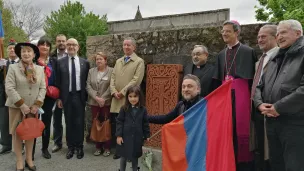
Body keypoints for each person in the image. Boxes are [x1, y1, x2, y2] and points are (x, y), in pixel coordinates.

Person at [254, 19, 304, 171]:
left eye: (283, 32)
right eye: (277, 34)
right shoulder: (275, 57)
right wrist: (259, 103)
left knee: (294, 165)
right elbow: (259, 85)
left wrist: (279, 107)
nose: (279, 37)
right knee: (276, 164)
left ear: (298, 33)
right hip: (272, 122)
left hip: (295, 124)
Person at [213, 20, 257, 170]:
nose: (224, 34)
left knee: (241, 128)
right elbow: (217, 80)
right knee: (226, 129)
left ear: (237, 32)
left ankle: (242, 163)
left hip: (242, 95)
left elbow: (252, 79)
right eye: (223, 31)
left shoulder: (248, 51)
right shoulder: (220, 54)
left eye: (227, 31)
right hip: (225, 95)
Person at [5, 42, 46, 171]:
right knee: (18, 134)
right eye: (24, 51)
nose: (26, 53)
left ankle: (29, 159)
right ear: (20, 54)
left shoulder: (40, 69)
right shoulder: (13, 68)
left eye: (29, 51)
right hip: (17, 107)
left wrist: (37, 104)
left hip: (33, 108)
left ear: (34, 54)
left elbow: (43, 88)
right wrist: (21, 105)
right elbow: (9, 88)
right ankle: (19, 162)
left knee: (30, 133)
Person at [110, 37, 145, 159]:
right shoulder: (118, 61)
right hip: (116, 97)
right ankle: (118, 150)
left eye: (128, 45)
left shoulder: (139, 61)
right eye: (124, 45)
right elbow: (113, 77)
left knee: (128, 125)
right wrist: (114, 91)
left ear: (134, 47)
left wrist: (123, 92)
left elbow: (136, 80)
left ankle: (128, 151)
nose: (126, 47)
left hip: (129, 98)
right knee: (117, 124)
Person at [250, 24, 279, 171]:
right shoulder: (258, 62)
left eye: (263, 36)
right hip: (258, 109)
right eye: (258, 37)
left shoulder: (281, 56)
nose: (260, 40)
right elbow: (256, 85)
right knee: (260, 149)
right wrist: (257, 103)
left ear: (276, 37)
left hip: (273, 110)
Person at [56, 38, 90, 159]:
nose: (71, 46)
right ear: (66, 46)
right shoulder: (60, 62)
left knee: (80, 122)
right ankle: (70, 147)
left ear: (78, 47)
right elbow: (58, 82)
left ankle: (79, 146)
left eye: (74, 44)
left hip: (80, 96)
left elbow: (87, 81)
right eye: (69, 44)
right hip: (67, 96)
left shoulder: (84, 62)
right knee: (69, 122)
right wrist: (59, 98)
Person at [116, 85, 150, 171]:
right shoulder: (124, 109)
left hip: (137, 138)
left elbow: (145, 123)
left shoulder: (143, 110)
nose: (132, 99)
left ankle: (135, 169)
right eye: (130, 96)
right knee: (123, 156)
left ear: (139, 96)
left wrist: (147, 135)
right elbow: (119, 122)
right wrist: (119, 136)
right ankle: (121, 169)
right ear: (127, 97)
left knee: (135, 157)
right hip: (125, 137)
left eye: (135, 96)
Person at [86, 52, 113, 156]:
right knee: (96, 123)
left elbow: (112, 85)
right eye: (97, 59)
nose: (98, 61)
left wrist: (103, 99)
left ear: (105, 61)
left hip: (106, 103)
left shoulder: (112, 71)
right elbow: (88, 86)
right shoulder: (91, 71)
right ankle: (98, 147)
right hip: (94, 102)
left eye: (101, 59)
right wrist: (96, 98)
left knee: (106, 124)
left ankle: (107, 147)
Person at [35, 38, 58, 159]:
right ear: (37, 47)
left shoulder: (53, 61)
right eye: (42, 44)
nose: (44, 47)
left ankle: (44, 148)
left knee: (46, 123)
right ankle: (30, 149)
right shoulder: (33, 60)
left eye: (47, 45)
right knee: (32, 122)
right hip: (34, 96)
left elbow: (57, 77)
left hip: (49, 96)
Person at [0, 39, 18, 155]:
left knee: (18, 122)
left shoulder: (22, 62)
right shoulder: (3, 63)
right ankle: (6, 144)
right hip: (3, 97)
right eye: (9, 48)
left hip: (17, 97)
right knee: (4, 122)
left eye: (13, 48)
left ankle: (19, 145)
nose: (11, 50)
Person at [50, 34, 67, 153]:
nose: (61, 43)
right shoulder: (51, 57)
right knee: (56, 119)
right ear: (55, 42)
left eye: (63, 41)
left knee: (70, 119)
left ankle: (71, 142)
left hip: (68, 92)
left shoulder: (71, 54)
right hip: (55, 92)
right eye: (59, 41)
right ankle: (57, 142)